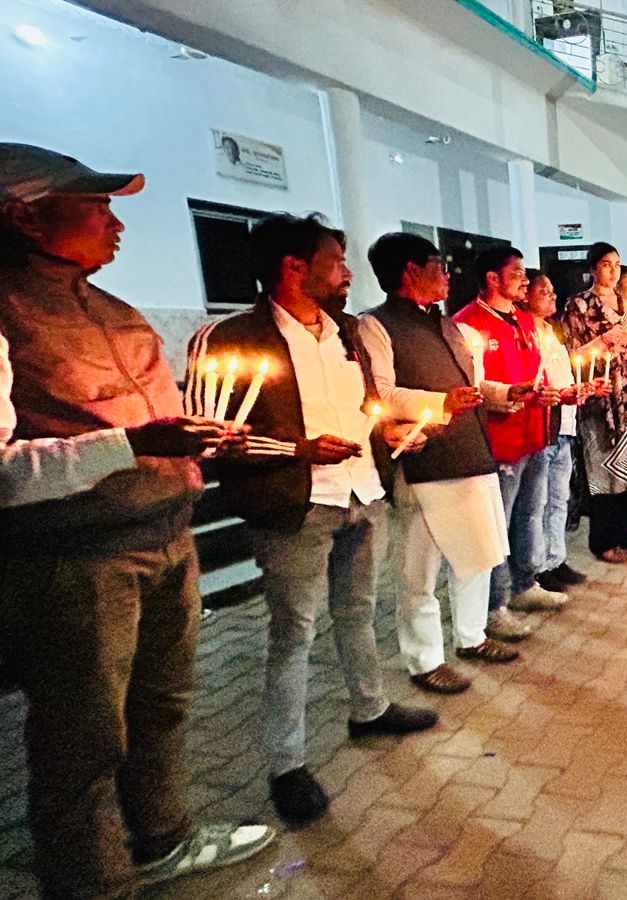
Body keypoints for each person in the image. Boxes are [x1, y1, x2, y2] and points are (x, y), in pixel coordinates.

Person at [0, 142, 274, 898]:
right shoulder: (7, 312)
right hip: (77, 564)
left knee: (163, 707)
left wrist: (202, 436)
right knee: (82, 740)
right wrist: (131, 444)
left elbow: (160, 418)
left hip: (167, 539)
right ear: (24, 217)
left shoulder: (115, 311)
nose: (115, 222)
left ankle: (162, 837)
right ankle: (89, 880)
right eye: (95, 205)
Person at [187, 213, 438, 825]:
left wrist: (394, 432)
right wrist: (297, 450)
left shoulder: (348, 331)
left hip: (361, 491)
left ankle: (370, 708)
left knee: (358, 612)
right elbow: (208, 436)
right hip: (294, 504)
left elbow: (365, 408)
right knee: (293, 631)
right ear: (293, 268)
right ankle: (287, 763)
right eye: (336, 261)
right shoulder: (231, 340)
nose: (348, 273)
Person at [358, 232, 522, 694]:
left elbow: (471, 385)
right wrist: (441, 400)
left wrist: (507, 394)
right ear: (410, 271)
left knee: (477, 553)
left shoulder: (448, 324)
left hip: (470, 451)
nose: (447, 274)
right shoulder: (376, 325)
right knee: (419, 570)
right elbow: (384, 393)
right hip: (424, 457)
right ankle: (424, 658)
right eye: (438, 265)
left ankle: (471, 636)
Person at [452, 245, 567, 644]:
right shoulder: (468, 324)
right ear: (492, 279)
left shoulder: (523, 320)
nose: (524, 279)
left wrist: (553, 394)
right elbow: (472, 384)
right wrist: (509, 393)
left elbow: (538, 370)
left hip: (533, 432)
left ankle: (525, 582)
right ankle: (494, 605)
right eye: (516, 272)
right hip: (499, 439)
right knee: (496, 526)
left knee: (529, 514)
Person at [561, 243, 627, 562]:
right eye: (606, 264)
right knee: (604, 471)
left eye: (617, 264)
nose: (613, 270)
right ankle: (603, 541)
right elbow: (573, 354)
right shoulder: (579, 305)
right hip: (601, 399)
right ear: (592, 269)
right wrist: (602, 341)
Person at [522, 268, 589, 594]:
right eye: (543, 291)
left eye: (552, 291)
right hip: (541, 426)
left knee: (559, 497)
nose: (552, 297)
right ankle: (536, 568)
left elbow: (562, 380)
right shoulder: (524, 332)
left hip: (564, 423)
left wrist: (581, 390)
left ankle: (556, 557)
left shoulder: (551, 331)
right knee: (538, 503)